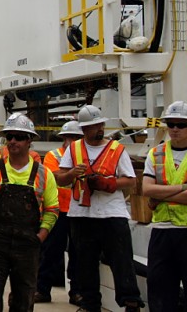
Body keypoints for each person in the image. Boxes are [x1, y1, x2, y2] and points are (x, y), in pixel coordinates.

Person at [56, 104, 144, 312]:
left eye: (101, 125)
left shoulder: (116, 149)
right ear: (84, 129)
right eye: (94, 126)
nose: (99, 129)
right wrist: (72, 175)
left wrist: (109, 184)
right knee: (85, 263)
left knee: (122, 261)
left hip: (112, 214)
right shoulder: (74, 149)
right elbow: (60, 178)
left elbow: (131, 180)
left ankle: (131, 302)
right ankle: (89, 304)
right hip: (82, 214)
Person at [0, 112, 59, 312]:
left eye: (18, 137)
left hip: (28, 244)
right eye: (9, 136)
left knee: (23, 297)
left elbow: (52, 210)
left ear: (30, 141)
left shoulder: (43, 174)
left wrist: (40, 237)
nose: (12, 141)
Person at [142, 100, 187, 312]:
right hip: (161, 231)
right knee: (160, 292)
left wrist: (162, 195)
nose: (175, 129)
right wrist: (182, 188)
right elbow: (147, 190)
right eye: (171, 124)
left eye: (181, 124)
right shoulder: (156, 153)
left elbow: (154, 191)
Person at [35, 121, 83, 305]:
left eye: (77, 137)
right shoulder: (53, 156)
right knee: (50, 251)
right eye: (70, 137)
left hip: (79, 210)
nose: (73, 141)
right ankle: (42, 289)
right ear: (64, 138)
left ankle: (77, 292)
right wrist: (72, 172)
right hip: (58, 210)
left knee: (77, 252)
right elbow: (54, 177)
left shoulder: (84, 156)